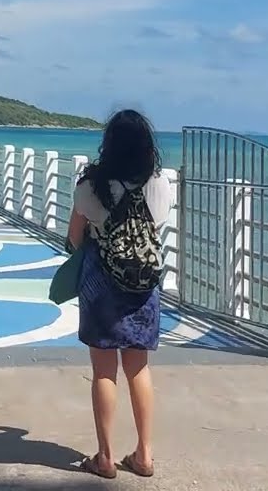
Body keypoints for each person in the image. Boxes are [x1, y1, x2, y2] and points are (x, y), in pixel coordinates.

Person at [67, 109, 169, 479]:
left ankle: (105, 457)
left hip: (102, 288)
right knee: (138, 368)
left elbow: (76, 238)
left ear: (108, 145)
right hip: (143, 286)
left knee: (104, 371)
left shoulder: (90, 186)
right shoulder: (159, 184)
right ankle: (144, 455)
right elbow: (155, 227)